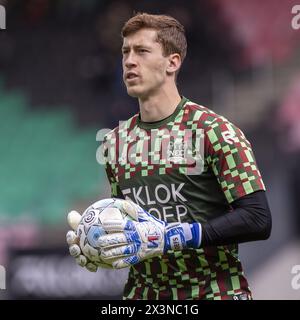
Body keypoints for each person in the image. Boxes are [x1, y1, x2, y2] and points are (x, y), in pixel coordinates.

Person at [67, 12, 272, 300]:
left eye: (141, 51)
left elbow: (258, 218)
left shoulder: (213, 131)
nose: (128, 61)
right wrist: (97, 248)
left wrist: (173, 236)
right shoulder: (115, 143)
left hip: (212, 293)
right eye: (125, 52)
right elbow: (131, 227)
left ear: (172, 62)